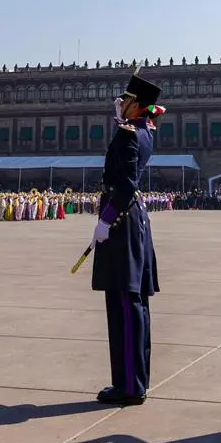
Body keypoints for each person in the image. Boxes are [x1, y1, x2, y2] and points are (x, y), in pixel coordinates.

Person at [91, 72, 163, 406]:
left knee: (125, 304)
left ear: (136, 104)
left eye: (125, 100)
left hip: (122, 220)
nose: (120, 103)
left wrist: (105, 221)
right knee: (131, 305)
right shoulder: (144, 131)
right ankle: (131, 380)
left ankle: (130, 386)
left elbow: (125, 184)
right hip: (132, 220)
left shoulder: (129, 134)